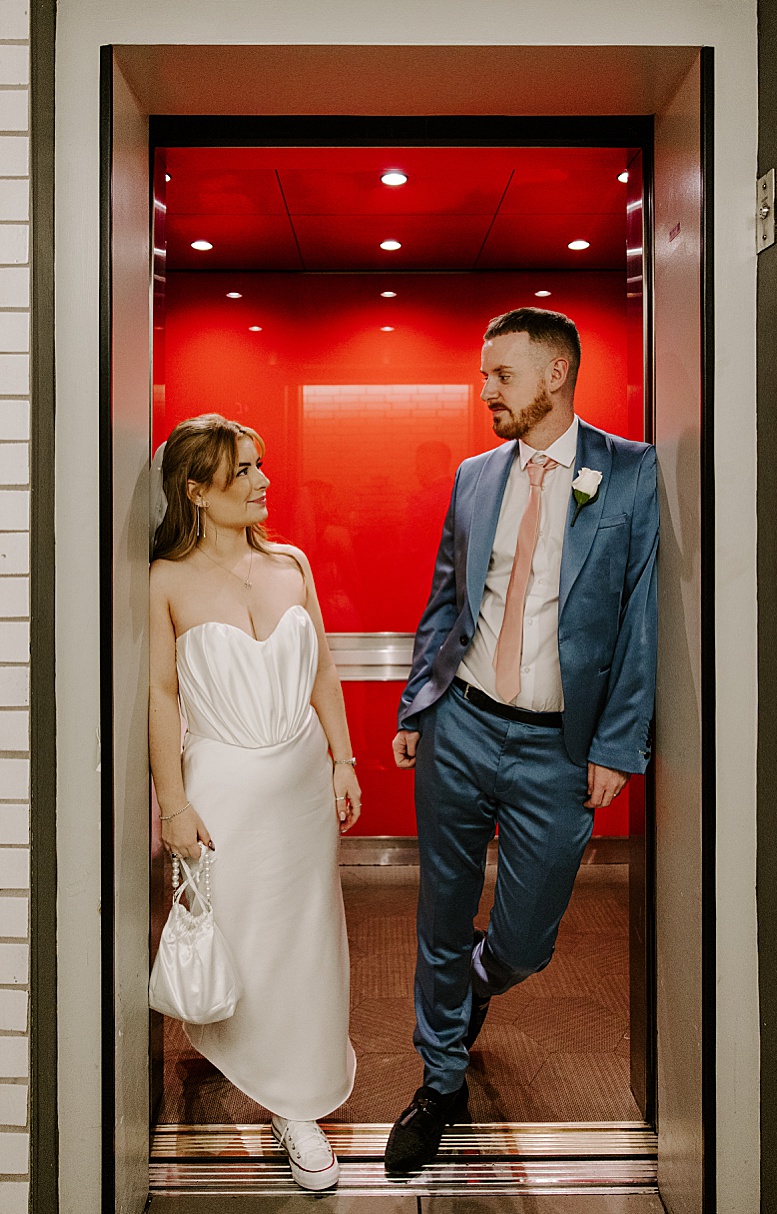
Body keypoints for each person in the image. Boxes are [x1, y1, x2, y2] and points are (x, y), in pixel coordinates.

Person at [384, 308, 658, 1173]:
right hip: (460, 724)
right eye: (482, 374)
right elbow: (445, 598)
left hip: (557, 749)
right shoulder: (473, 475)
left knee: (527, 939)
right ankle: (438, 1082)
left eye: (499, 374)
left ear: (554, 374)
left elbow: (640, 619)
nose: (484, 389)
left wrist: (618, 746)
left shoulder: (630, 473)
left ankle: (469, 990)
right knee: (438, 911)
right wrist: (415, 703)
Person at [149, 414, 359, 1191]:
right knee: (239, 935)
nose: (263, 482)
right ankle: (242, 1060)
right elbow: (161, 694)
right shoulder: (164, 579)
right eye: (244, 472)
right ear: (197, 491)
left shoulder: (292, 562)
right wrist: (171, 803)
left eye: (261, 467)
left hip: (301, 783)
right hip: (221, 787)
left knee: (305, 939)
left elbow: (324, 672)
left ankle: (294, 1103)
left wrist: (342, 758)